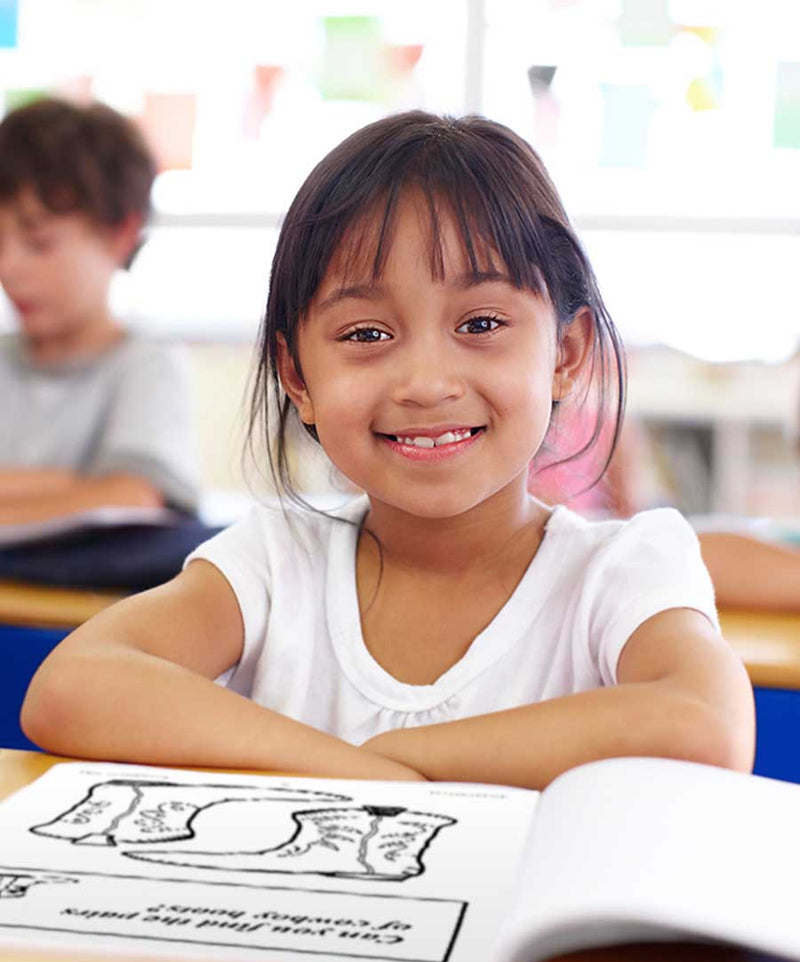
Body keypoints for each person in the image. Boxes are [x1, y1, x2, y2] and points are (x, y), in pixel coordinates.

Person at [22, 111, 754, 788]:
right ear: (297, 378)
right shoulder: (278, 561)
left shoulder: (618, 571)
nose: (427, 383)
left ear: (565, 353)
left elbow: (704, 725)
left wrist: (385, 767)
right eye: (366, 335)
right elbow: (74, 684)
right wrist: (363, 777)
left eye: (481, 323)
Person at [0, 97, 199, 524]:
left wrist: (98, 489)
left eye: (39, 244)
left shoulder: (147, 364)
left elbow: (135, 497)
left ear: (119, 234)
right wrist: (74, 486)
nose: (7, 266)